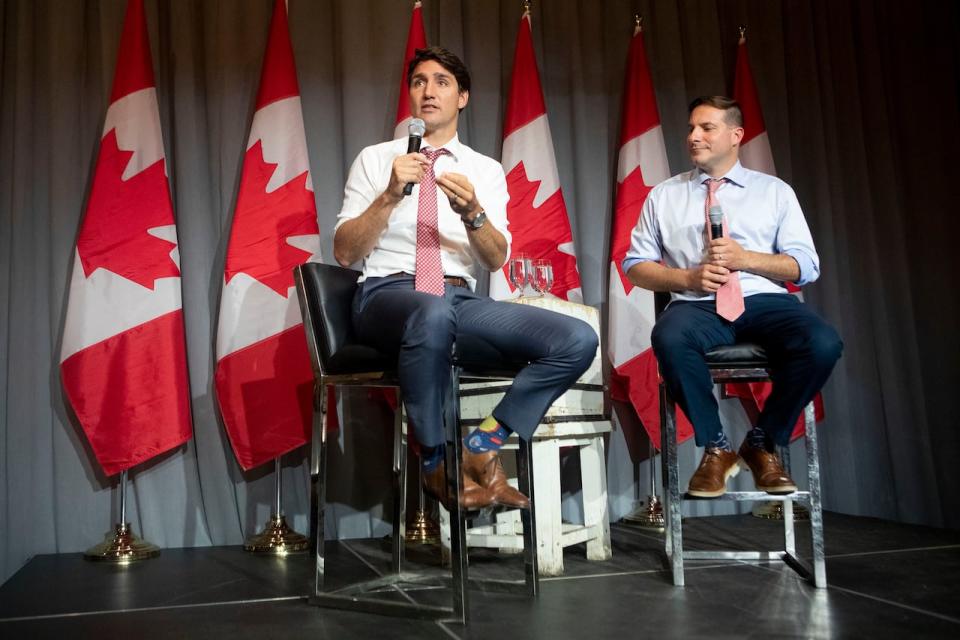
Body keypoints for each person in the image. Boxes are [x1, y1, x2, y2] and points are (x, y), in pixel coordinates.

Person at [334, 46, 597, 509]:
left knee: (576, 338)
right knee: (430, 312)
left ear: (463, 98)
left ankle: (483, 446)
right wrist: (390, 195)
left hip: (457, 300)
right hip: (386, 295)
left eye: (441, 82)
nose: (427, 91)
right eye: (418, 81)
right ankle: (435, 462)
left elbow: (496, 260)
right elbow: (344, 250)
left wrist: (474, 213)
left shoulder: (484, 169)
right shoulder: (377, 160)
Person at [623, 96, 842, 498]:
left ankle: (762, 442)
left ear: (736, 135)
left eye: (706, 128)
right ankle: (717, 448)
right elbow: (635, 266)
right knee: (669, 337)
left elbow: (806, 266)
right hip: (696, 304)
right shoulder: (664, 195)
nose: (693, 136)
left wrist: (747, 259)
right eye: (691, 128)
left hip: (763, 301)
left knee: (823, 342)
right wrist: (687, 276)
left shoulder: (774, 192)